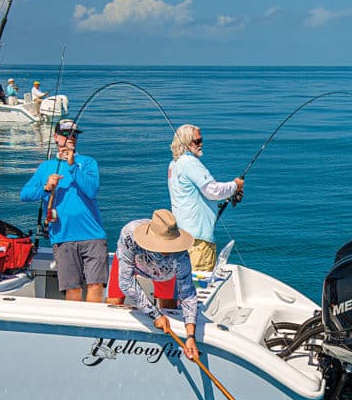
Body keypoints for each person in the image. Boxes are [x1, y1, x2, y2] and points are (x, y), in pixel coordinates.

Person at [20, 118, 107, 302]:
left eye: (75, 134)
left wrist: (72, 165)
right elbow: (24, 194)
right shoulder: (46, 167)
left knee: (96, 285)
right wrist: (45, 187)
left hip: (92, 234)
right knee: (72, 289)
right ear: (56, 137)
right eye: (66, 133)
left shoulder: (88, 162)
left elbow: (92, 190)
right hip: (62, 236)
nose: (71, 137)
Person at [115, 209, 201, 361]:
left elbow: (187, 294)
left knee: (170, 309)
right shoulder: (129, 234)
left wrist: (190, 335)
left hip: (164, 273)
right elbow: (126, 282)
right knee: (113, 304)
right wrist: (155, 314)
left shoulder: (180, 255)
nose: (168, 250)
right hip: (133, 264)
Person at [167, 124, 244, 272]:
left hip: (182, 235)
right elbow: (212, 191)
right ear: (185, 142)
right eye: (196, 141)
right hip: (198, 239)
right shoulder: (190, 163)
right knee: (198, 282)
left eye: (201, 140)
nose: (201, 144)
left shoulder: (174, 164)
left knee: (183, 281)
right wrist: (235, 185)